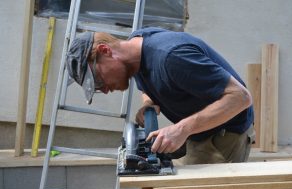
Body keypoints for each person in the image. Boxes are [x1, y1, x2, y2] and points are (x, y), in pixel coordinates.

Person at [66, 27, 255, 165]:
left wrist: (182, 129)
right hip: (197, 130)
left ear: (105, 51)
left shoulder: (172, 57)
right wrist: (149, 103)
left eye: (99, 81)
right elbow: (146, 79)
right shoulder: (134, 51)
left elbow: (241, 97)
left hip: (224, 133)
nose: (105, 90)